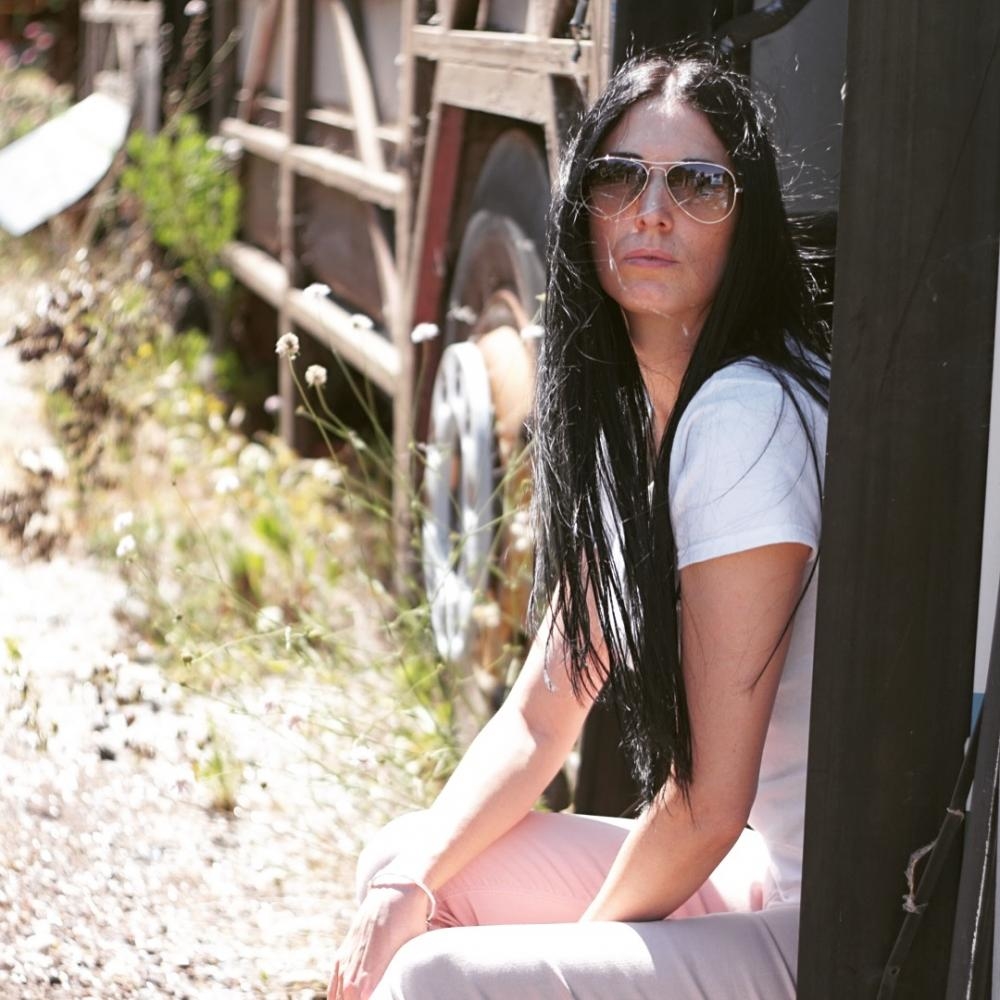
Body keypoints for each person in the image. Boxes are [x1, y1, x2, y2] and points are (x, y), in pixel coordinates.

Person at [328, 45, 830, 1000]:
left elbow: (707, 808)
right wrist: (409, 884)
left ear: (748, 221)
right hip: (757, 873)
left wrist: (572, 956)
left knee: (441, 978)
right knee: (405, 863)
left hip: (822, 926)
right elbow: (539, 717)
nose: (652, 210)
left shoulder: (747, 416)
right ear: (584, 209)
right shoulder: (638, 431)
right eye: (620, 177)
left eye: (699, 184)